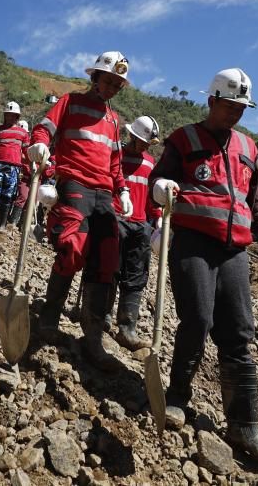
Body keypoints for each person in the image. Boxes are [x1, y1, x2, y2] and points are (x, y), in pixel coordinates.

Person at [149, 67, 258, 466]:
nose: (235, 114)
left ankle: (245, 425)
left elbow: (254, 197)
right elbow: (159, 180)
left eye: (241, 108)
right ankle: (176, 397)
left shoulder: (248, 147)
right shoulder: (184, 139)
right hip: (193, 240)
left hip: (235, 249)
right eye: (229, 106)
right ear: (211, 101)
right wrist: (161, 190)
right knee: (197, 319)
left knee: (240, 332)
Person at [28, 51, 134, 371]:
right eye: (109, 80)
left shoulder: (115, 120)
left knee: (106, 262)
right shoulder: (71, 102)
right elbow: (45, 127)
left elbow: (115, 163)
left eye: (118, 84)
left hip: (104, 195)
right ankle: (49, 318)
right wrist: (40, 144)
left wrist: (123, 189)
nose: (113, 87)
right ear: (95, 78)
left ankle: (93, 339)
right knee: (73, 250)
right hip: (73, 183)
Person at [109, 115, 162, 351]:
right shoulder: (116, 155)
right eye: (141, 140)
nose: (144, 146)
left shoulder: (150, 163)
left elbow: (151, 196)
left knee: (136, 277)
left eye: (147, 143)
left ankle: (127, 327)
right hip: (115, 218)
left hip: (140, 224)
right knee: (110, 270)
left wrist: (158, 217)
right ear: (131, 135)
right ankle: (102, 317)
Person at [0, 102, 29, 231]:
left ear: (17, 117)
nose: (10, 118)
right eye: (8, 115)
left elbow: (26, 152)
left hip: (14, 167)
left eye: (13, 116)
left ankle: (1, 224)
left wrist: (30, 166)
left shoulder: (23, 133)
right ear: (5, 116)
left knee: (7, 195)